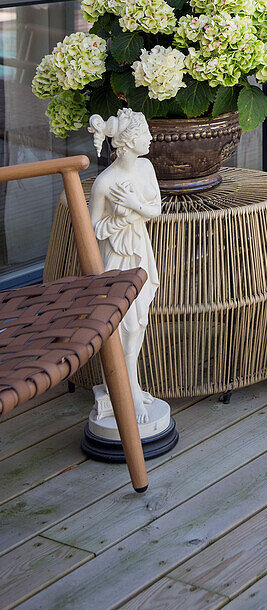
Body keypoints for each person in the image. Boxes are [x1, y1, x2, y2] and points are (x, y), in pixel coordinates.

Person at [88, 108, 162, 424]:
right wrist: (120, 219)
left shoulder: (145, 168)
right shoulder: (105, 182)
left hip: (141, 251)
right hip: (116, 259)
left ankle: (129, 384)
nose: (149, 138)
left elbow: (155, 209)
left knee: (140, 321)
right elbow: (92, 231)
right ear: (130, 141)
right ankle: (126, 390)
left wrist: (133, 207)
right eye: (144, 134)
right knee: (123, 325)